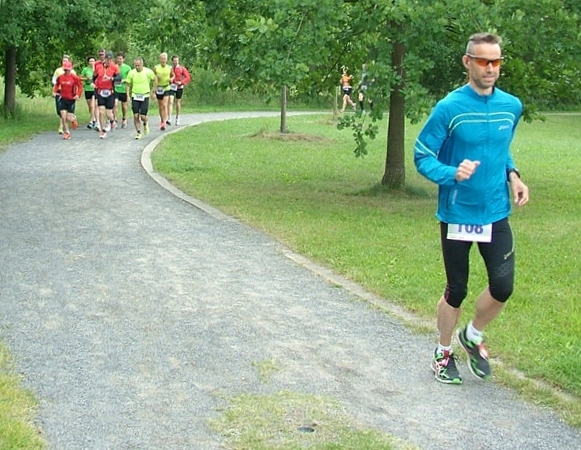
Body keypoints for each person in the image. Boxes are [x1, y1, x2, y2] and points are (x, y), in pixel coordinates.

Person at [414, 32, 530, 385]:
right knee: (457, 290)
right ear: (468, 62)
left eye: (496, 62)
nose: (491, 68)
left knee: (503, 285)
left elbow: (499, 148)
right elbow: (422, 155)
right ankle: (443, 352)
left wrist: (514, 175)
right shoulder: (449, 108)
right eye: (483, 61)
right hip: (458, 214)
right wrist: (452, 173)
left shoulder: (511, 106)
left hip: (495, 211)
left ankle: (473, 335)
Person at [92, 51, 120, 139]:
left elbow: (119, 78)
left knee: (108, 113)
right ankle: (103, 131)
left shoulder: (114, 67)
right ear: (105, 59)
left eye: (110, 59)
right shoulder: (98, 67)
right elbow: (94, 77)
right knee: (101, 111)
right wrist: (93, 83)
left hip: (110, 92)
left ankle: (112, 120)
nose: (109, 61)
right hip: (100, 92)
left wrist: (111, 78)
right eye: (107, 59)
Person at [125, 57, 156, 140]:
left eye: (138, 65)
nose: (137, 67)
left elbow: (155, 80)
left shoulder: (148, 72)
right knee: (135, 115)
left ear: (142, 64)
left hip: (145, 95)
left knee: (142, 116)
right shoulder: (131, 73)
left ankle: (145, 123)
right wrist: (127, 95)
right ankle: (138, 132)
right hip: (135, 95)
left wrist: (153, 92)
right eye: (135, 65)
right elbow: (127, 85)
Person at [52, 61, 83, 140]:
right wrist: (54, 92)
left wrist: (77, 95)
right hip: (63, 98)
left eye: (68, 70)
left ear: (71, 69)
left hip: (71, 99)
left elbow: (80, 86)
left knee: (69, 117)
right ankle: (67, 132)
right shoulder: (61, 77)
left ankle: (73, 119)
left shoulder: (74, 77)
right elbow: (56, 85)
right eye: (65, 70)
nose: (66, 71)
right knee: (63, 116)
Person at [168, 55, 191, 126]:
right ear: (172, 61)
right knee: (170, 101)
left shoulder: (181, 68)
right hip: (172, 86)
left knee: (178, 102)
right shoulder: (170, 68)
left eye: (177, 61)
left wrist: (182, 82)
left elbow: (188, 77)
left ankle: (177, 117)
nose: (176, 62)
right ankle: (169, 118)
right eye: (174, 61)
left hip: (179, 87)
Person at [153, 52, 172, 130]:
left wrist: (171, 79)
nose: (163, 60)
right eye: (162, 59)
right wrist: (156, 77)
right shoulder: (156, 68)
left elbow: (173, 75)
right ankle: (162, 120)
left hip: (166, 87)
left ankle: (164, 122)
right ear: (160, 59)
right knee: (161, 106)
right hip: (159, 88)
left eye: (165, 59)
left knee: (164, 105)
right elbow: (152, 77)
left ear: (167, 59)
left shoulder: (169, 67)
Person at [114, 52, 132, 129]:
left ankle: (124, 118)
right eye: (118, 59)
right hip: (115, 89)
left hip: (124, 89)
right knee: (115, 104)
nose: (119, 60)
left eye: (120, 59)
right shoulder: (114, 67)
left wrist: (123, 80)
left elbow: (130, 79)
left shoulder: (128, 68)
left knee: (124, 106)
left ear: (123, 59)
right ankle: (115, 120)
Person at [80, 56, 97, 129]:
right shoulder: (85, 69)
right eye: (90, 61)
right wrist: (86, 78)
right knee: (90, 107)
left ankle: (91, 121)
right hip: (87, 88)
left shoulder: (97, 69)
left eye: (93, 61)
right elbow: (80, 78)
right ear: (88, 62)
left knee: (93, 106)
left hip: (95, 89)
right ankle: (94, 119)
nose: (92, 62)